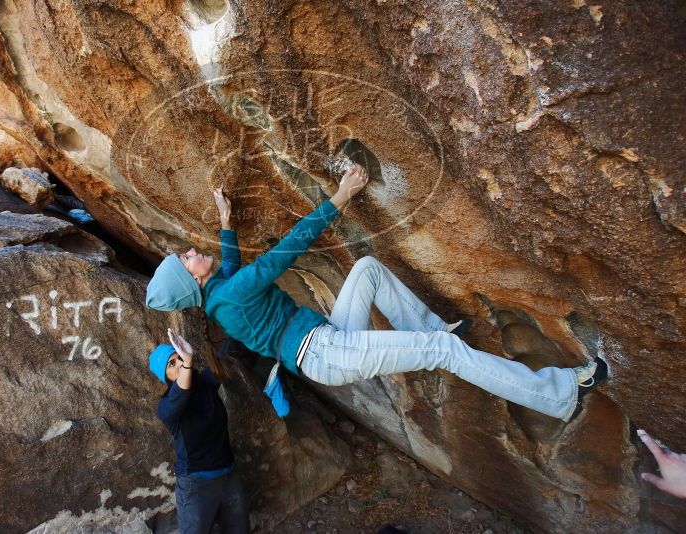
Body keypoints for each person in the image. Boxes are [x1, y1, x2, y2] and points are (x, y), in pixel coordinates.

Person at [146, 163, 607, 421]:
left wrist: (227, 222)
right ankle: (560, 391)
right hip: (327, 351)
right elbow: (286, 251)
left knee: (367, 268)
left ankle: (428, 327)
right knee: (442, 351)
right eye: (185, 260)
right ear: (192, 281)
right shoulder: (230, 295)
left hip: (325, 341)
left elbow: (230, 266)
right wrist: (340, 196)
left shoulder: (220, 295)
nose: (189, 251)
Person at [150, 328, 250, 533]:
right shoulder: (167, 407)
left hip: (228, 475)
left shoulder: (205, 383)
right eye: (172, 364)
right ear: (165, 377)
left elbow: (228, 354)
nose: (179, 363)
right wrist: (187, 361)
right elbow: (180, 393)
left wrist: (234, 319)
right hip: (196, 485)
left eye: (179, 357)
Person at [638, 429, 686, 499]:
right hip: (669, 466)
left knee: (663, 450)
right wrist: (646, 476)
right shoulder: (680, 491)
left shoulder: (680, 490)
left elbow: (660, 484)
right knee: (659, 453)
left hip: (676, 457)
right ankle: (642, 433)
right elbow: (659, 484)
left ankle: (645, 434)